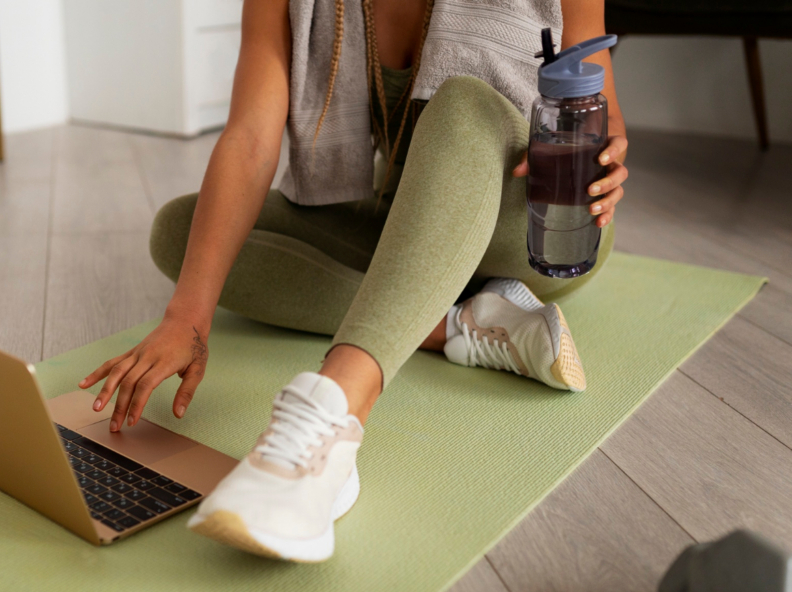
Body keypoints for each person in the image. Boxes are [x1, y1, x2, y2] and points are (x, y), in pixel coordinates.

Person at [80, 0, 628, 562]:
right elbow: (249, 137)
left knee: (465, 103)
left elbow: (599, 105)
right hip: (409, 216)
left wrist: (608, 150)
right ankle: (457, 323)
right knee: (180, 233)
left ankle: (335, 413)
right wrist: (187, 318)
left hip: (540, 229)